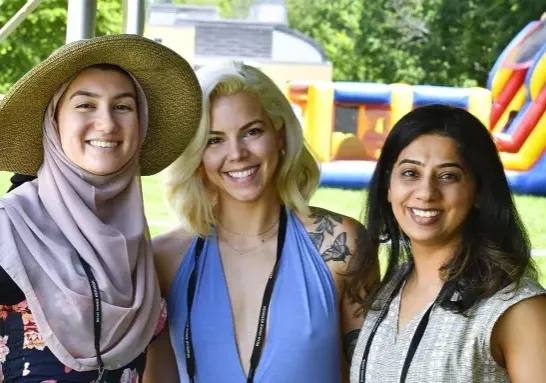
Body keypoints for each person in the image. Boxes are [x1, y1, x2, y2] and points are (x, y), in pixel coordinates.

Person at [147, 61, 379, 383]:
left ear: (280, 135)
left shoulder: (339, 245)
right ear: (196, 156)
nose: (237, 153)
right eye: (215, 140)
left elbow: (370, 372)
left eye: (252, 132)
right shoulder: (162, 259)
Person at [0, 34, 202, 382]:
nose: (107, 123)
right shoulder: (10, 228)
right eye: (86, 105)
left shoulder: (136, 242)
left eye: (123, 106)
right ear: (54, 121)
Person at [349, 104, 546, 382]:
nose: (426, 192)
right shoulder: (390, 289)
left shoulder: (516, 307)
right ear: (388, 187)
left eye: (448, 176)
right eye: (410, 173)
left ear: (479, 191)